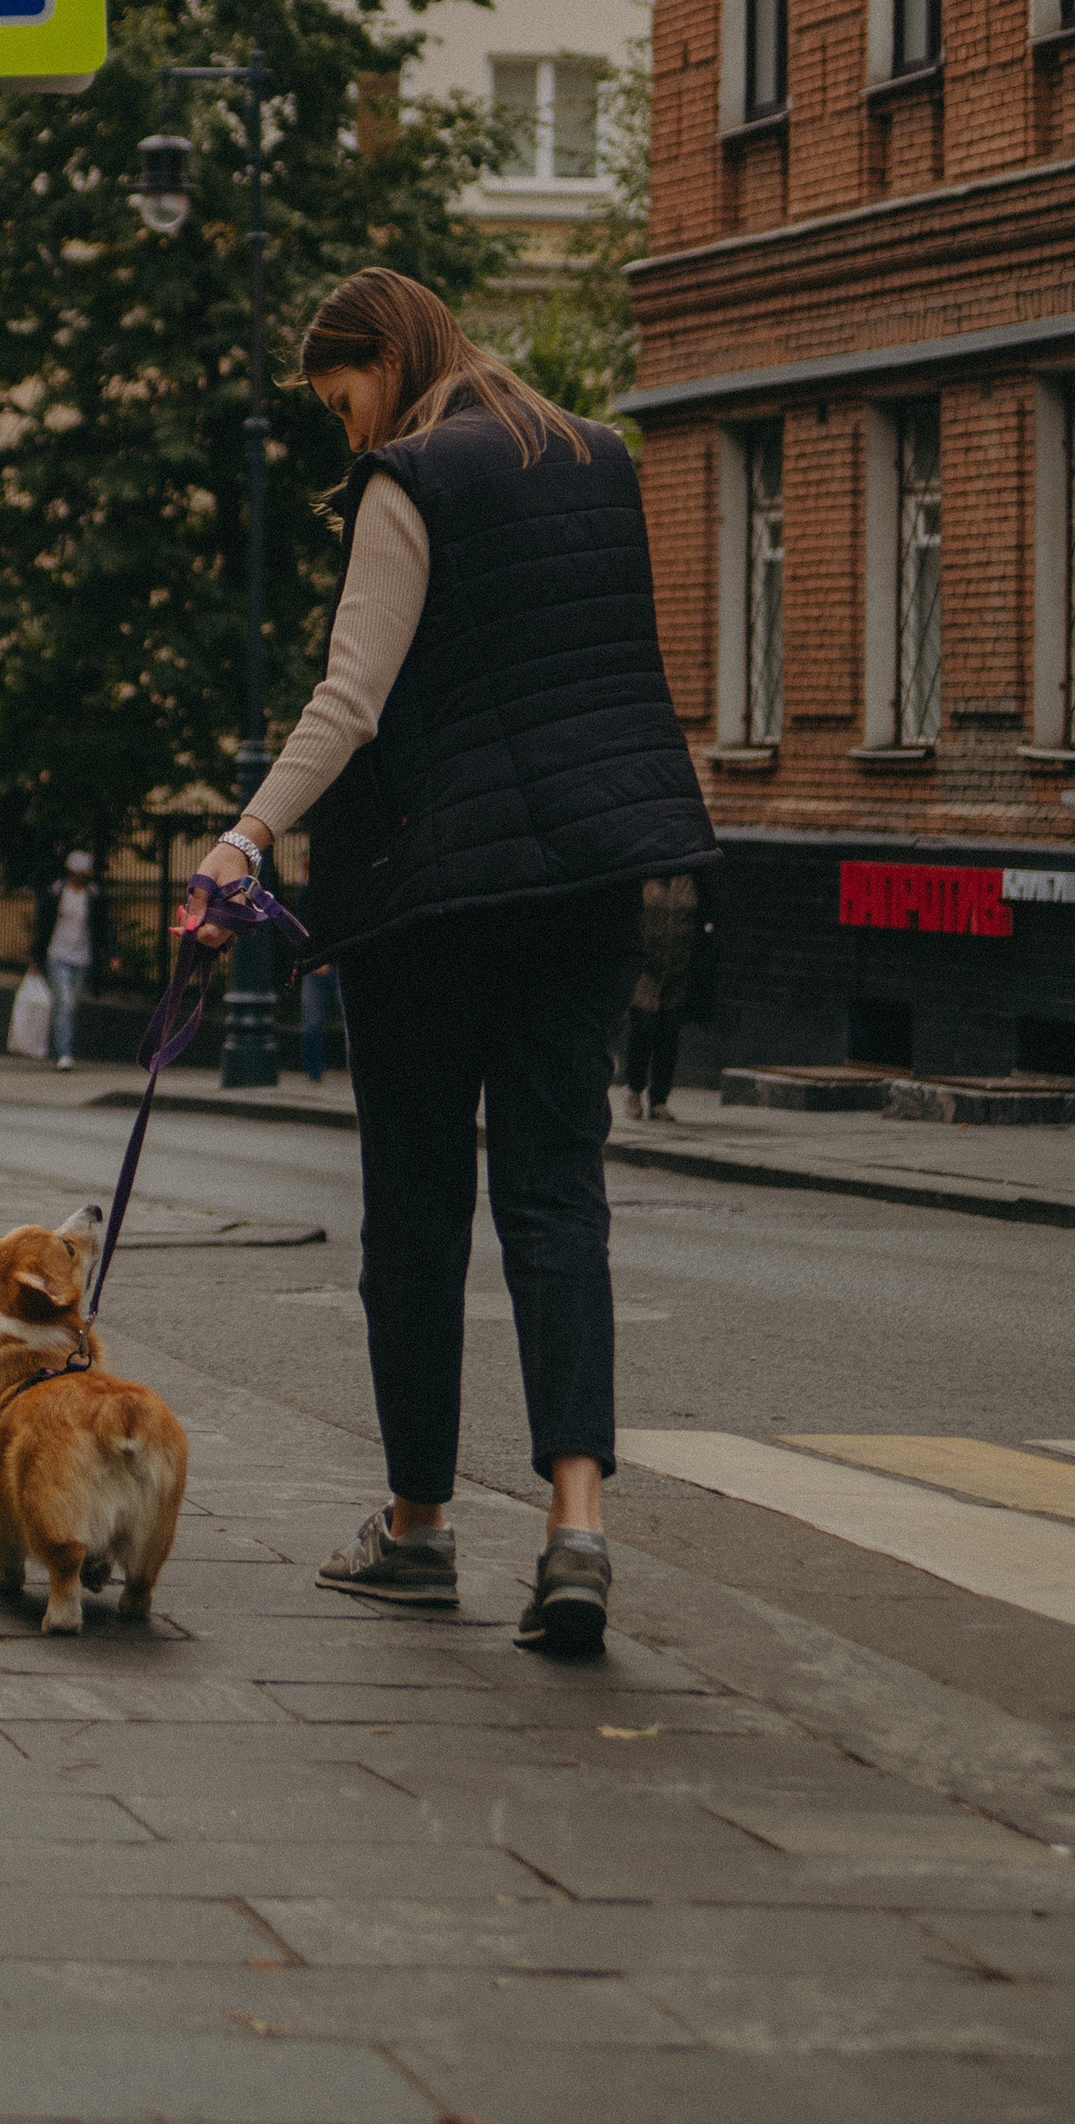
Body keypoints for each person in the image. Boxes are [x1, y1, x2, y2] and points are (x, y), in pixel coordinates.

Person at [192, 269, 715, 1659]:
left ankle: (419, 1528)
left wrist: (245, 837)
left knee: (417, 1209)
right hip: (596, 877)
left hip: (438, 900)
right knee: (559, 1196)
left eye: (341, 400)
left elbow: (350, 699)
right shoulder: (599, 458)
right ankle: (576, 1530)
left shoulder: (410, 480)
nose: (343, 436)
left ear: (382, 359)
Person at [621, 872, 708, 1121]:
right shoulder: (643, 878)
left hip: (679, 970)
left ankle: (659, 1099)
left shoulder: (690, 879)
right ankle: (634, 1089)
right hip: (645, 969)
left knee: (669, 1032)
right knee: (644, 1028)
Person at [31, 851, 113, 1069]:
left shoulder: (93, 895)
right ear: (69, 872)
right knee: (65, 1002)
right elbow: (44, 925)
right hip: (58, 954)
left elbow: (103, 926)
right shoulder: (57, 892)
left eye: (82, 874)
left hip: (81, 957)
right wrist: (36, 958)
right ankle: (64, 1053)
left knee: (71, 1005)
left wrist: (112, 953)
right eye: (76, 873)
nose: (79, 877)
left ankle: (60, 1044)